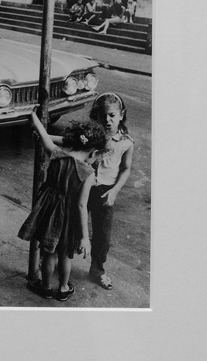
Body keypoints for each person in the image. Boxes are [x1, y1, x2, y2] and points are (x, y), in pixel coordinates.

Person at [18, 112, 106, 302]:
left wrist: (34, 118)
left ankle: (46, 286)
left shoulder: (57, 155)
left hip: (49, 211)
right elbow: (82, 205)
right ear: (93, 152)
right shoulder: (88, 172)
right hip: (69, 218)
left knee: (49, 253)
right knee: (65, 255)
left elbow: (44, 137)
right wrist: (85, 237)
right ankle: (64, 288)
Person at [87, 93, 134, 290]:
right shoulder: (90, 136)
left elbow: (126, 169)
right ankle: (60, 263)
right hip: (84, 186)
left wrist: (114, 191)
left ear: (121, 115)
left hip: (105, 191)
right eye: (103, 116)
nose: (107, 120)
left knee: (103, 236)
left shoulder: (126, 143)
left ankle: (97, 269)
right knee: (72, 228)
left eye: (112, 115)